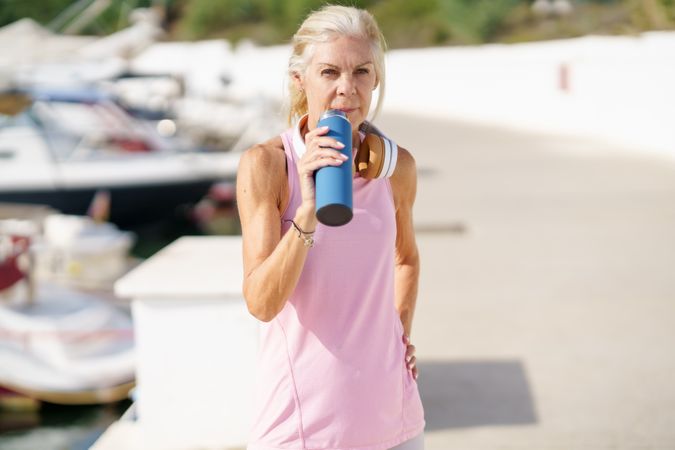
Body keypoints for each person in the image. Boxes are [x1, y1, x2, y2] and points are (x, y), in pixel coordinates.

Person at [236, 5, 425, 450]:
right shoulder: (268, 165)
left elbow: (407, 259)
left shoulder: (397, 168)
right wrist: (307, 210)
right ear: (300, 79)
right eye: (329, 72)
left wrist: (399, 336)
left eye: (362, 71)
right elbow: (261, 303)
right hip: (302, 430)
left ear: (376, 77)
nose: (347, 89)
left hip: (396, 422)